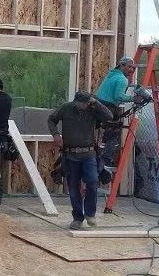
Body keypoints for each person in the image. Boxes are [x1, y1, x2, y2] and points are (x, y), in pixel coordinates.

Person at [47, 91, 113, 230]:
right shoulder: (66, 108)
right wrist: (56, 134)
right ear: (75, 101)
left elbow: (109, 116)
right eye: (81, 103)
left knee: (93, 180)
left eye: (85, 103)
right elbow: (51, 119)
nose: (82, 106)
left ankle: (90, 214)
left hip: (88, 154)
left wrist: (96, 103)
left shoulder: (93, 110)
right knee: (73, 187)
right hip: (70, 154)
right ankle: (78, 218)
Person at [94, 56, 142, 171]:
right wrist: (133, 98)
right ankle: (106, 161)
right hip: (108, 107)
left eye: (133, 67)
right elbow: (118, 96)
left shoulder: (111, 74)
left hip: (98, 104)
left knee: (104, 131)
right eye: (129, 66)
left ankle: (98, 154)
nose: (131, 69)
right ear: (122, 65)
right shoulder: (122, 79)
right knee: (113, 132)